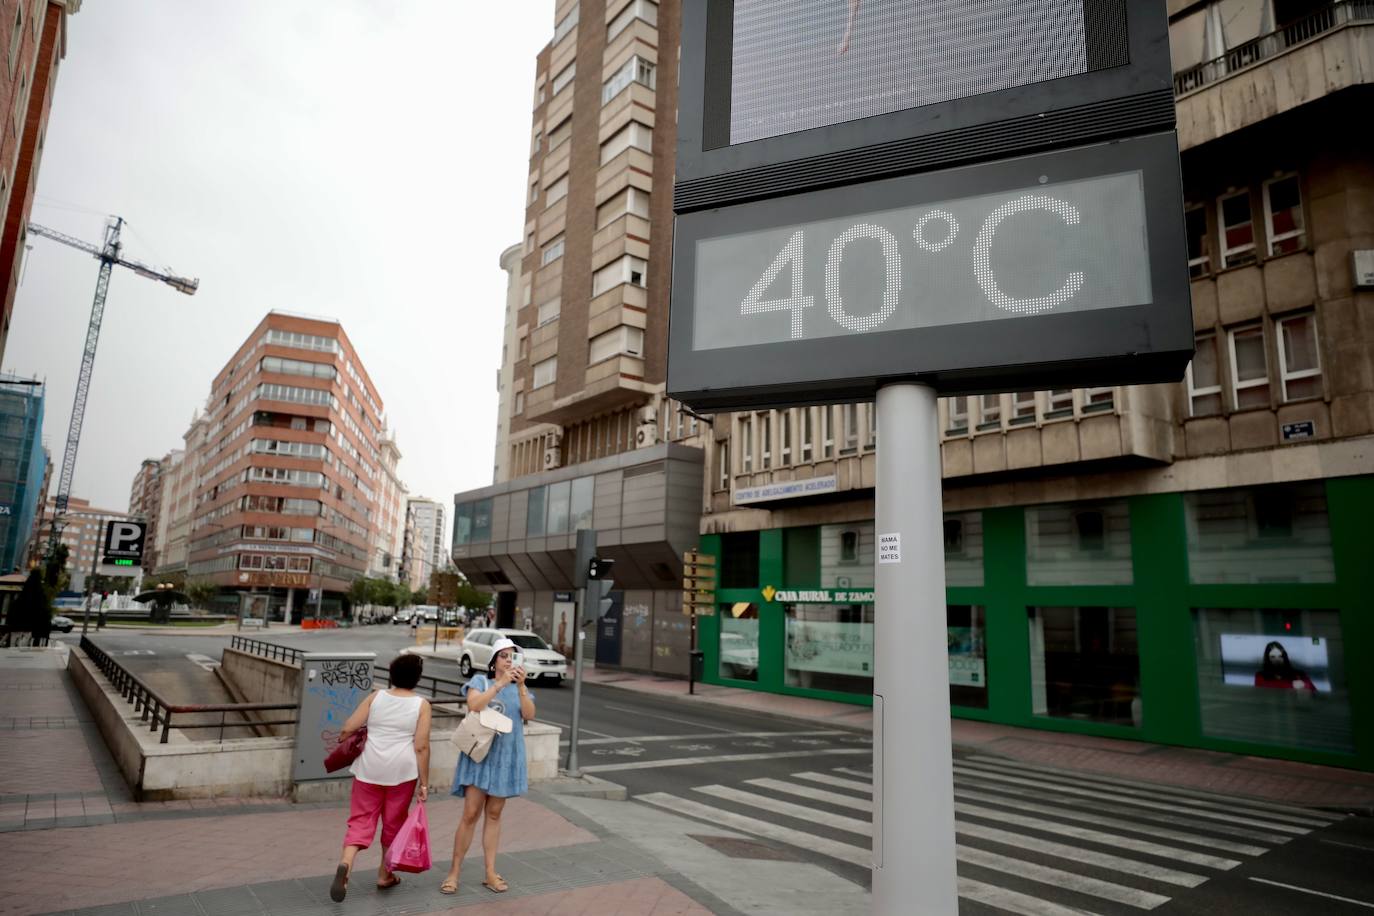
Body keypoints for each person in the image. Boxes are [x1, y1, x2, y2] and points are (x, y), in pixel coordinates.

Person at [330, 654, 432, 903]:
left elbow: (348, 727)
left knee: (361, 820)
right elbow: (421, 746)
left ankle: (346, 863)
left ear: (392, 675)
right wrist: (425, 782)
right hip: (401, 772)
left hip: (369, 768)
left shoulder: (376, 696)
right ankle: (385, 874)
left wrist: (344, 741)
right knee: (394, 823)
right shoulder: (421, 704)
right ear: (417, 678)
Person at [440, 638, 536, 895]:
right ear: (493, 662)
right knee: (470, 814)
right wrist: (500, 684)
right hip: (481, 757)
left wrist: (522, 686)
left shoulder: (519, 687)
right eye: (503, 656)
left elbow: (529, 715)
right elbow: (473, 705)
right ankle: (454, 872)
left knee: (494, 815)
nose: (508, 660)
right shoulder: (480, 682)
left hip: (505, 759)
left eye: (512, 656)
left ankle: (490, 873)